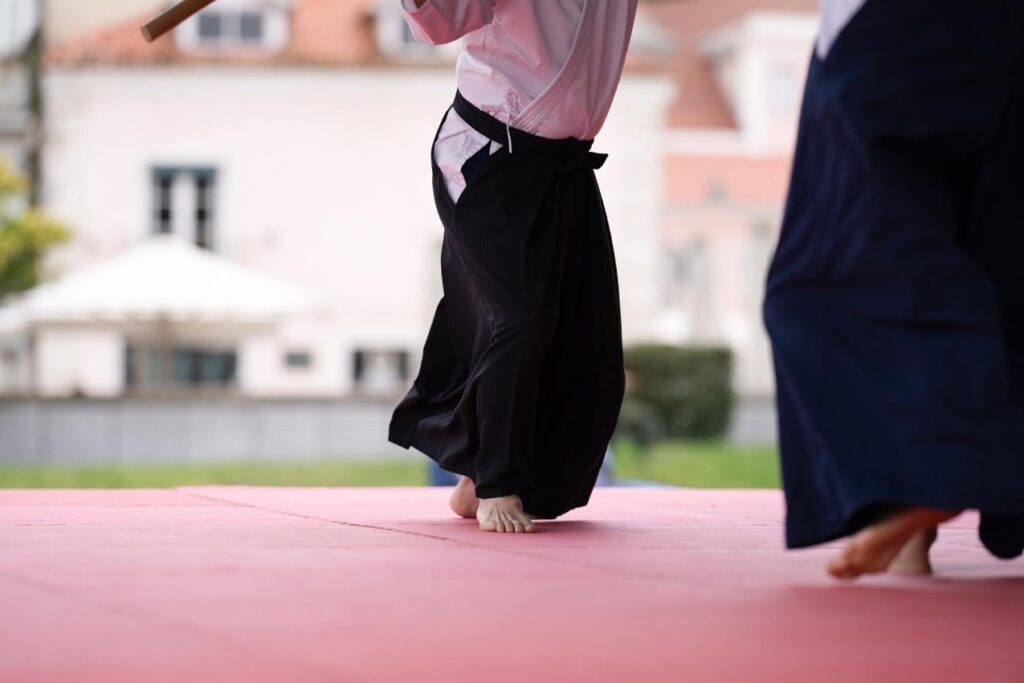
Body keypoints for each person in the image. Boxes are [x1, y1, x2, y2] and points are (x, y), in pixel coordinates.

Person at [765, 0, 1024, 579]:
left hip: (903, 27)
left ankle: (924, 477)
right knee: (997, 248)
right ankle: (916, 535)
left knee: (821, 284)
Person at [389, 0, 638, 533]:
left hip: (562, 164)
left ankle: (476, 477)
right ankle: (496, 481)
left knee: (588, 340)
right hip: (490, 151)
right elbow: (438, 22)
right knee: (518, 320)